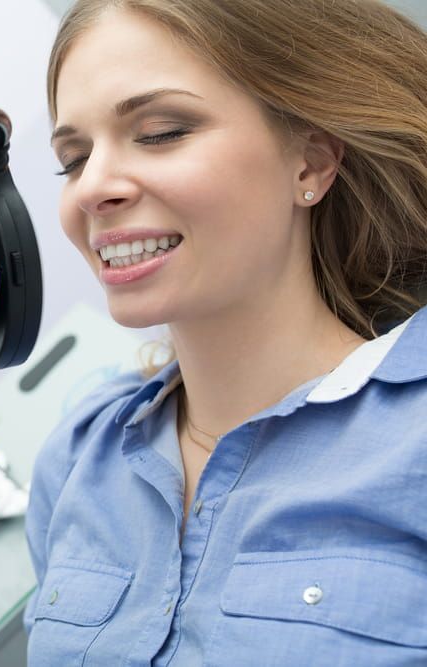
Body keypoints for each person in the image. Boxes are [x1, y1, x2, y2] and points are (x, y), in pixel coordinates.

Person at [24, 0, 427, 664]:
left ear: (310, 164)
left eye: (160, 132)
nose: (91, 188)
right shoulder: (73, 462)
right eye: (73, 158)